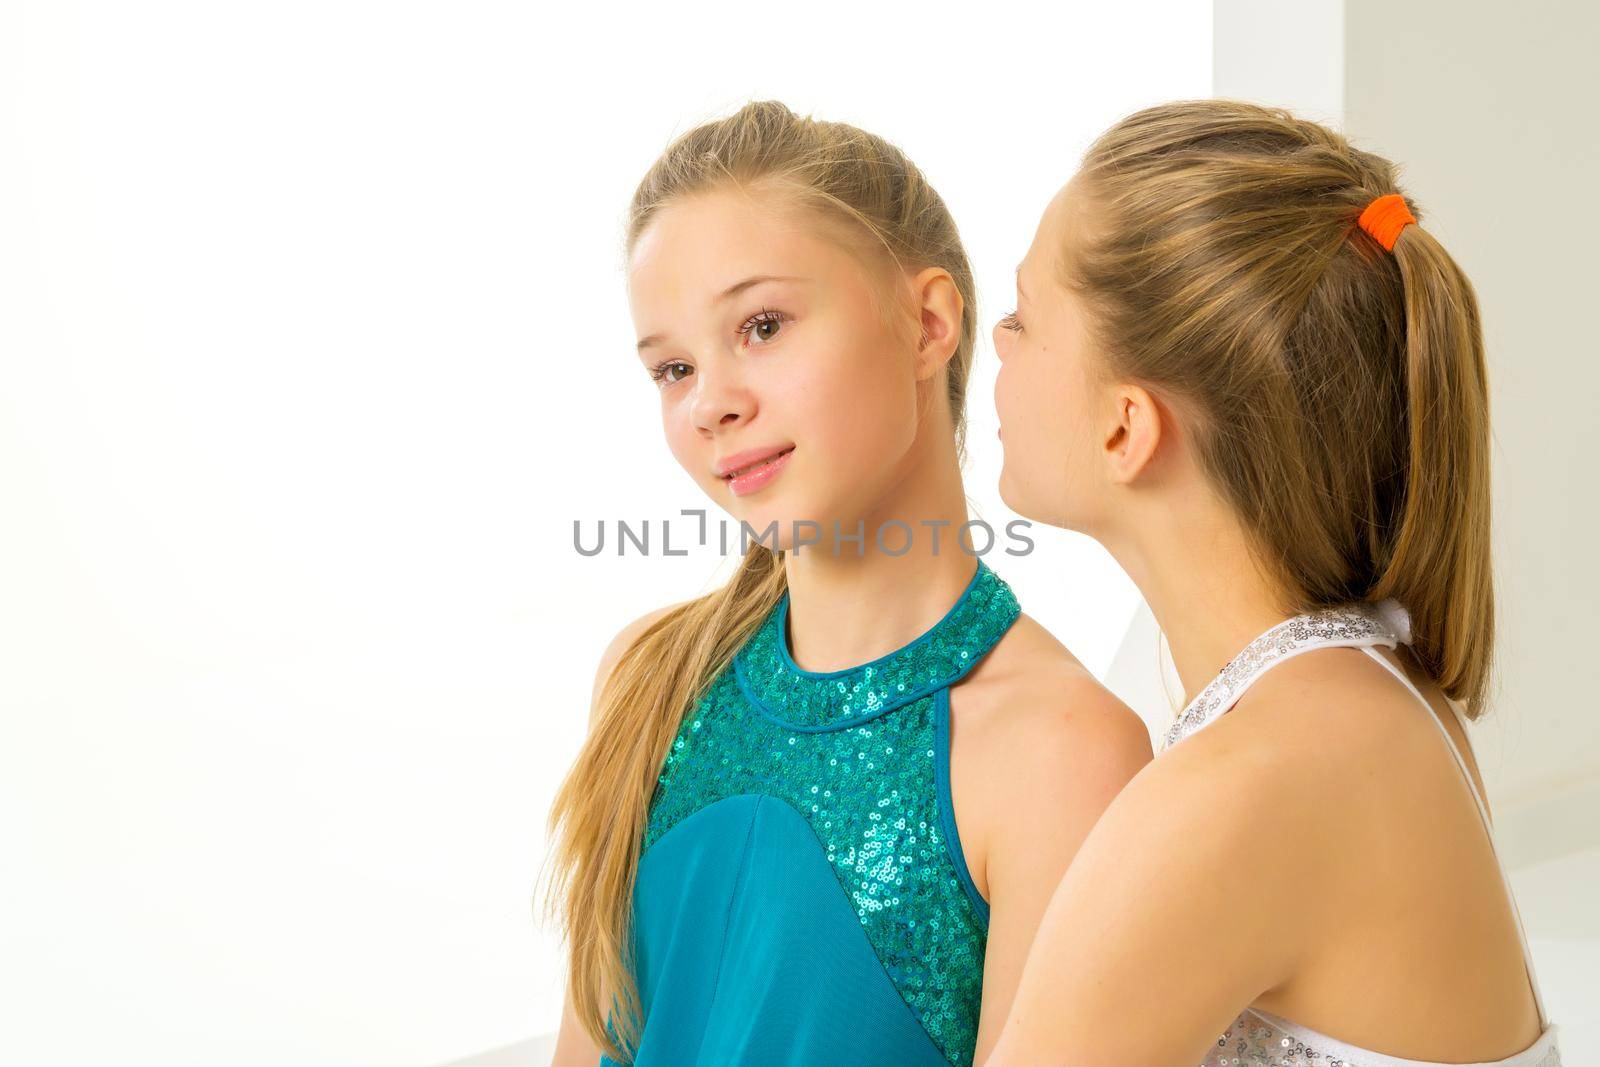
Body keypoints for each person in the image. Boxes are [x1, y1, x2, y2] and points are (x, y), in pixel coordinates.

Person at [541, 100, 1151, 1067]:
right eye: (672, 368)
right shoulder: (650, 678)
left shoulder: (1063, 753)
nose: (710, 403)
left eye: (764, 325)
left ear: (927, 324)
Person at [982, 98, 1562, 1066]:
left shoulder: (1238, 791)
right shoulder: (1371, 694)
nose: (994, 345)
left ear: (1126, 426)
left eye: (1023, 318)